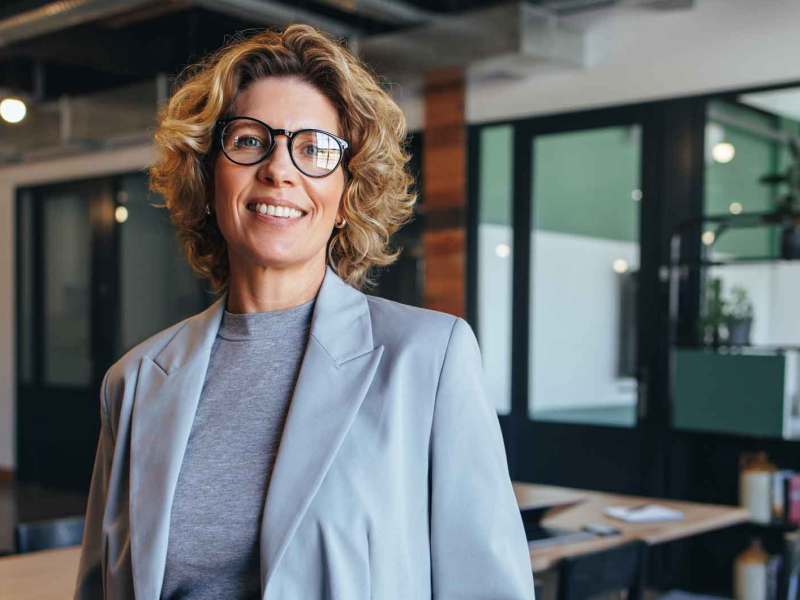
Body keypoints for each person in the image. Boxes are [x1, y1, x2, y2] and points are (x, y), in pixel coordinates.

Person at [74, 24, 534, 600]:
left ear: (347, 195)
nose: (280, 170)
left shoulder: (429, 359)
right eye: (248, 141)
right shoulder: (136, 381)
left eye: (315, 149)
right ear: (207, 175)